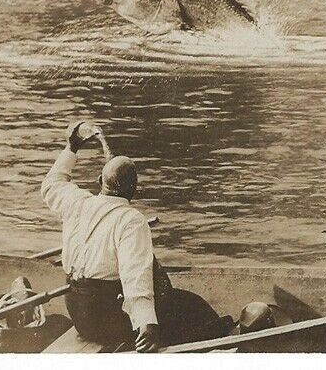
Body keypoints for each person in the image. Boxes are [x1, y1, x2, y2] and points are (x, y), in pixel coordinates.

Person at [41, 123, 223, 352]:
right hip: (108, 320)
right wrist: (147, 326)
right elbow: (135, 276)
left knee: (182, 303)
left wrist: (71, 147)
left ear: (100, 181)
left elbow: (51, 185)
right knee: (192, 306)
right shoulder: (131, 220)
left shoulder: (76, 201)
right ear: (133, 189)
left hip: (79, 314)